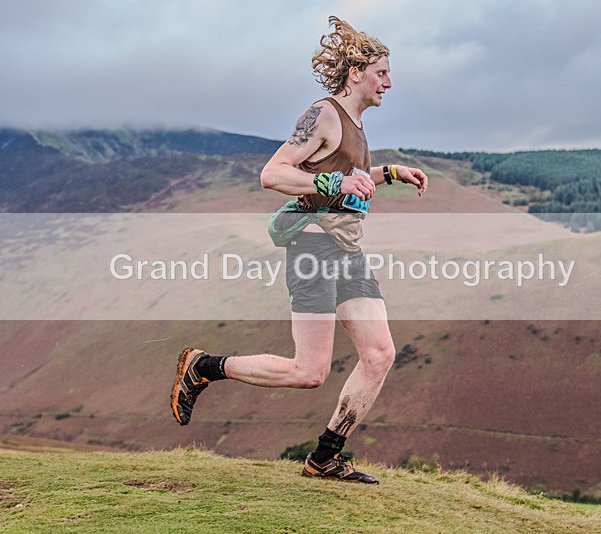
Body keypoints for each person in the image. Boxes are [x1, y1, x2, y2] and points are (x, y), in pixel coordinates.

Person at [170, 15, 428, 484]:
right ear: (357, 73)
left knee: (379, 354)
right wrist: (335, 179)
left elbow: (347, 180)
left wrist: (391, 173)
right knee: (309, 372)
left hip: (347, 252)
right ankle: (204, 366)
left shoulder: (355, 123)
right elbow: (273, 174)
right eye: (382, 72)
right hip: (313, 250)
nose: (389, 82)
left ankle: (325, 457)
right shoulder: (325, 113)